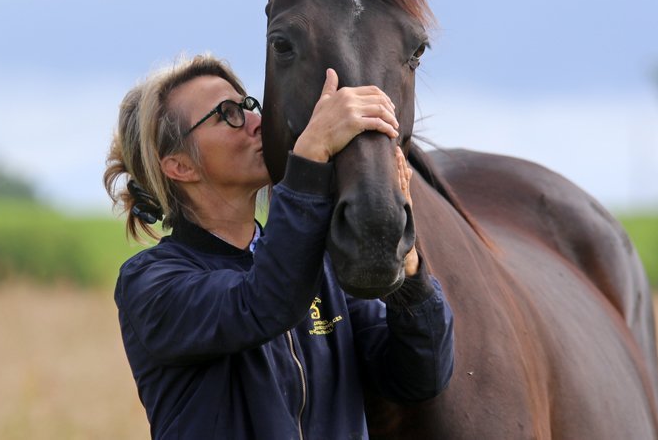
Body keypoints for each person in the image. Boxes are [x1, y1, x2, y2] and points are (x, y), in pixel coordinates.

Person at [106, 54, 454, 439]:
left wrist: (407, 263)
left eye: (248, 106)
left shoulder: (320, 268)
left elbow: (419, 377)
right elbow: (264, 302)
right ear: (180, 166)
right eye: (227, 115)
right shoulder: (151, 283)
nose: (257, 123)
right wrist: (310, 157)